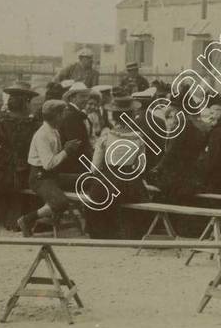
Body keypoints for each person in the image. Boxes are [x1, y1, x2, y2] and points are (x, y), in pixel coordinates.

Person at [84, 95, 148, 239]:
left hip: (109, 178)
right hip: (130, 181)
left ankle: (104, 232)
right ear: (131, 116)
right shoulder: (138, 137)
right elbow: (141, 166)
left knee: (95, 199)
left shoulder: (106, 136)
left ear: (113, 116)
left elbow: (94, 167)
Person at [17, 100, 82, 236]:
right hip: (40, 177)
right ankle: (27, 219)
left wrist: (65, 148)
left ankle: (91, 222)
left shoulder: (53, 130)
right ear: (57, 115)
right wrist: (66, 151)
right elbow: (48, 164)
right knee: (60, 203)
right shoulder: (43, 135)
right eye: (63, 113)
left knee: (84, 179)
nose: (65, 115)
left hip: (52, 176)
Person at [0, 82, 40, 229]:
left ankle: (9, 218)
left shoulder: (2, 117)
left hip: (2, 166)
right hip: (24, 166)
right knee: (23, 182)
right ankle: (17, 219)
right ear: (27, 101)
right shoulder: (33, 121)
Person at [147, 93, 207, 204]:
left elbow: (171, 152)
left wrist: (157, 168)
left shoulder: (181, 127)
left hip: (178, 178)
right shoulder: (195, 127)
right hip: (190, 176)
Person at [57, 82, 93, 175]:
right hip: (73, 166)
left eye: (87, 96)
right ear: (72, 98)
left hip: (77, 162)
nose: (86, 99)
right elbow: (76, 145)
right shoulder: (71, 115)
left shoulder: (76, 113)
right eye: (82, 96)